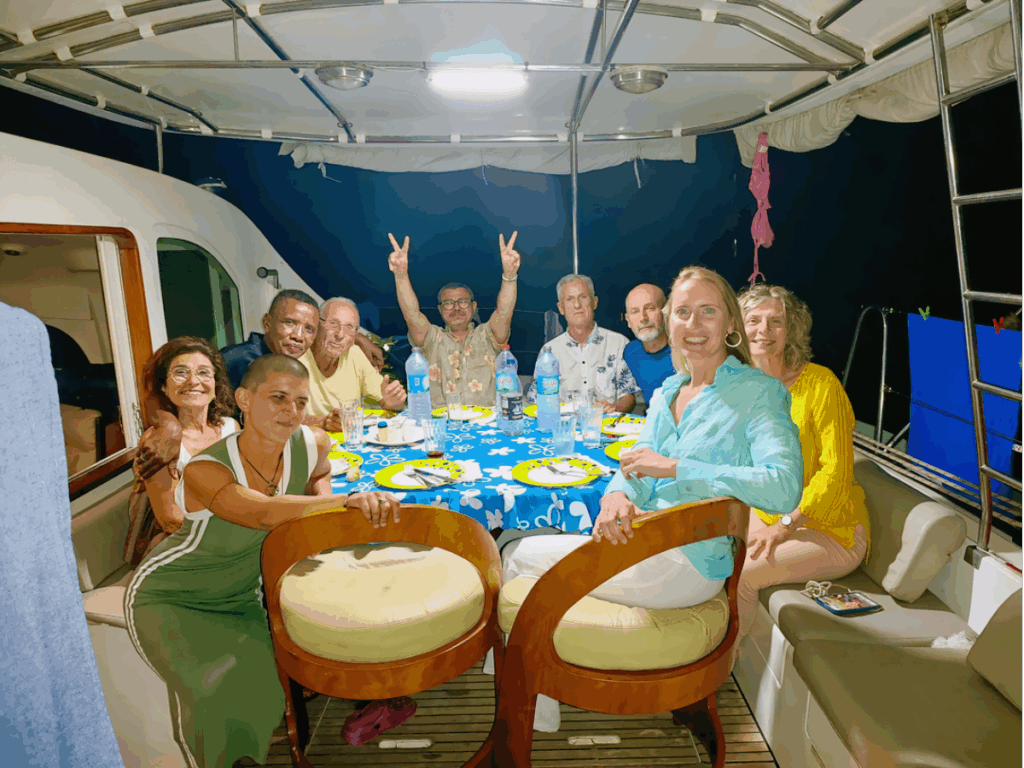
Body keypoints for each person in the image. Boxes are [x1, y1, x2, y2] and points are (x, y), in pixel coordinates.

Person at [503, 266, 803, 732]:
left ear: (729, 324)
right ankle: (531, 704)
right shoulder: (667, 393)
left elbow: (783, 486)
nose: (694, 325)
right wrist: (616, 497)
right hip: (647, 543)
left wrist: (678, 468)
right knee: (520, 549)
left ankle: (522, 713)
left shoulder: (758, 393)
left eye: (708, 311)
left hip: (691, 562)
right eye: (683, 312)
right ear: (670, 322)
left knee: (517, 556)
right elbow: (634, 466)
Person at [124, 355, 407, 767]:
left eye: (299, 402)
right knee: (212, 689)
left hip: (243, 595)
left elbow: (316, 479)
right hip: (172, 597)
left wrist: (324, 513)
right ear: (243, 398)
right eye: (277, 398)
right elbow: (258, 511)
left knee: (264, 692)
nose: (290, 411)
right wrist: (343, 502)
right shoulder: (206, 468)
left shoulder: (313, 444)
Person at [736, 283, 869, 638]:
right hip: (767, 516)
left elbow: (836, 473)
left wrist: (784, 525)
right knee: (701, 548)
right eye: (753, 320)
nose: (763, 331)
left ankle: (720, 675)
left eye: (775, 322)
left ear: (790, 331)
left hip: (828, 529)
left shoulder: (821, 386)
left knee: (742, 574)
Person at [135, 288, 382, 478]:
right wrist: (170, 428)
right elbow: (156, 392)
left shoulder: (287, 364)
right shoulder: (240, 359)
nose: (299, 335)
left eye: (309, 329)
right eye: (289, 323)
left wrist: (360, 339)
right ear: (267, 323)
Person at [387, 231, 520, 408]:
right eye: (449, 303)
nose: (456, 308)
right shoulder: (431, 338)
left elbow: (504, 311)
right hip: (442, 425)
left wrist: (510, 275)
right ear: (440, 310)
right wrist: (400, 275)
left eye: (463, 302)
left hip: (486, 425)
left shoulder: (488, 335)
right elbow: (412, 314)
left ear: (474, 307)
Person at [133, 337, 239, 549]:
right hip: (188, 545)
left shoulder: (231, 428)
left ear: (216, 384)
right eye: (180, 372)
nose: (193, 381)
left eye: (203, 372)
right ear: (164, 386)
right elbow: (171, 520)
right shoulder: (158, 441)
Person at [526, 274, 639, 413]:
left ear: (595, 302)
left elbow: (628, 395)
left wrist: (615, 409)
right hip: (564, 428)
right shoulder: (549, 352)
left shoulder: (619, 343)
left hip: (607, 427)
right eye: (569, 299)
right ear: (561, 308)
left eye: (583, 297)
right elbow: (536, 401)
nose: (577, 305)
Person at [299, 297, 407, 430]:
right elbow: (277, 417)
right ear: (317, 324)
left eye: (349, 327)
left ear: (355, 335)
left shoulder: (354, 354)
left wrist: (393, 403)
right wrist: (323, 422)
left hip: (350, 444)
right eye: (333, 323)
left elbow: (388, 402)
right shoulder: (297, 357)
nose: (340, 334)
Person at [622, 283, 675, 410]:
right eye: (635, 312)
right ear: (628, 320)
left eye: (650, 308)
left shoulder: (688, 351)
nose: (643, 318)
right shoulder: (630, 353)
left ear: (666, 312)